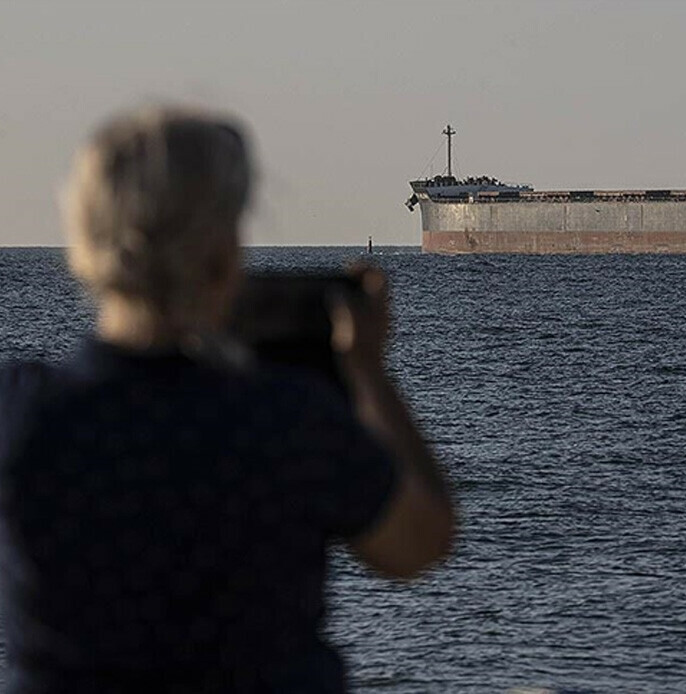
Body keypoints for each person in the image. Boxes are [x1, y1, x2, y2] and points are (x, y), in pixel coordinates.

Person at [0, 107, 456, 692]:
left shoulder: (18, 414)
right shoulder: (289, 420)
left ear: (84, 241)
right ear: (221, 255)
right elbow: (420, 543)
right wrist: (369, 373)